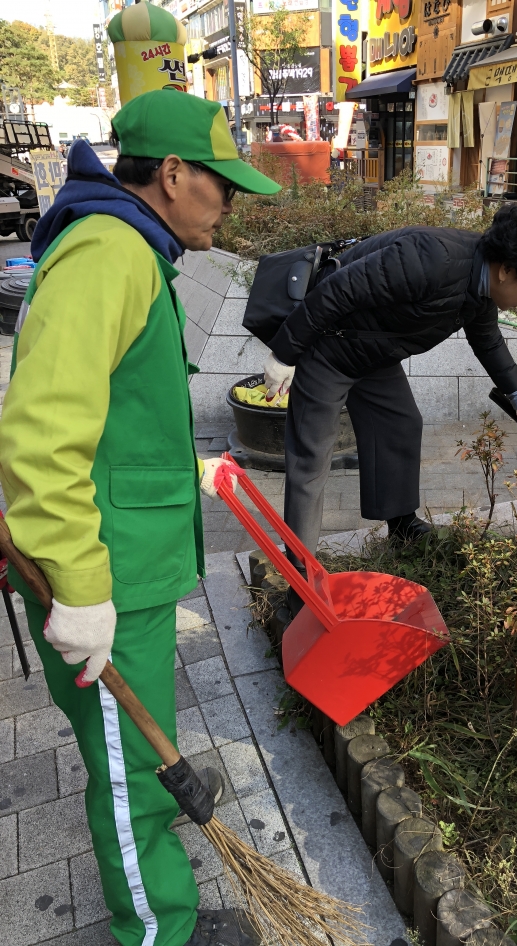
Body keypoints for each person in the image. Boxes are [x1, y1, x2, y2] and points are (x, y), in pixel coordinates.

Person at [0, 89, 279, 946]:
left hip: (126, 564)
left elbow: (104, 411)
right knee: (126, 772)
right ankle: (156, 932)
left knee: (134, 758)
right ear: (171, 174)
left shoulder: (131, 248)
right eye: (221, 185)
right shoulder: (109, 254)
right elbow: (42, 437)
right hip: (102, 574)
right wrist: (80, 591)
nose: (230, 204)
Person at [255, 197, 517, 612]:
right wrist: (284, 355)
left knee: (402, 423)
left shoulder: (482, 285)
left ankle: (402, 524)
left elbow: (488, 340)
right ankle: (301, 578)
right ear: (507, 270)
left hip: (372, 352)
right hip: (328, 347)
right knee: (311, 457)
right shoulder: (431, 259)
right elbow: (336, 291)